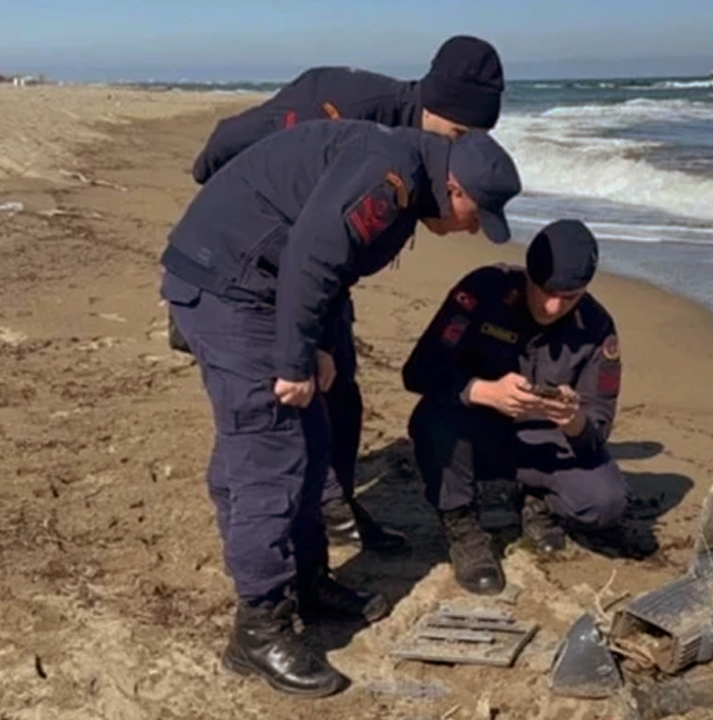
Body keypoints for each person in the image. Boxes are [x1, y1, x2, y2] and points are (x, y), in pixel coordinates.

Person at [160, 119, 521, 695]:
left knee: (311, 442)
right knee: (270, 456)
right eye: (474, 217)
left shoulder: (402, 170)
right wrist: (294, 361)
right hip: (228, 284)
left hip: (262, 283)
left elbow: (332, 269)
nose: (467, 231)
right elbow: (311, 256)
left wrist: (322, 343)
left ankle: (307, 581)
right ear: (454, 190)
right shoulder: (389, 178)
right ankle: (258, 628)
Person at [173, 34, 507, 553]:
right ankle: (303, 521)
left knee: (340, 386)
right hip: (245, 266)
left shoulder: (424, 155)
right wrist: (213, 267)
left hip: (317, 265)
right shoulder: (340, 105)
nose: (460, 150)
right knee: (271, 400)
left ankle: (335, 509)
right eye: (459, 133)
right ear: (431, 104)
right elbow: (229, 144)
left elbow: (332, 256)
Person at [401, 219, 634, 596]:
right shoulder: (482, 290)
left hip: (544, 439)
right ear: (528, 274)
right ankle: (462, 527)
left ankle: (538, 502)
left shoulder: (597, 327)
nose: (553, 305)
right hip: (476, 429)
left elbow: (598, 426)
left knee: (605, 501)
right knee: (434, 421)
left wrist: (573, 419)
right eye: (544, 290)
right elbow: (418, 372)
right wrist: (483, 391)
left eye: (570, 296)